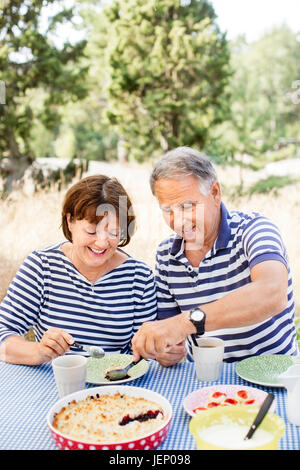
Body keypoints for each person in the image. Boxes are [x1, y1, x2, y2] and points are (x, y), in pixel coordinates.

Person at [132, 147, 298, 366]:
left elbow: (273, 294)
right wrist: (167, 352)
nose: (178, 221)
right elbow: (171, 333)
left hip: (274, 376)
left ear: (215, 193)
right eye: (168, 210)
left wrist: (185, 322)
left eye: (187, 206)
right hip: (206, 379)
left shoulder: (255, 229)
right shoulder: (166, 256)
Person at [0, 175, 157, 365]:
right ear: (70, 221)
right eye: (91, 231)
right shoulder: (42, 267)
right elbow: (4, 333)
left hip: (115, 386)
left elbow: (143, 355)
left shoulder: (139, 278)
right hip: (53, 383)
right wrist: (39, 352)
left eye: (113, 233)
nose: (101, 243)